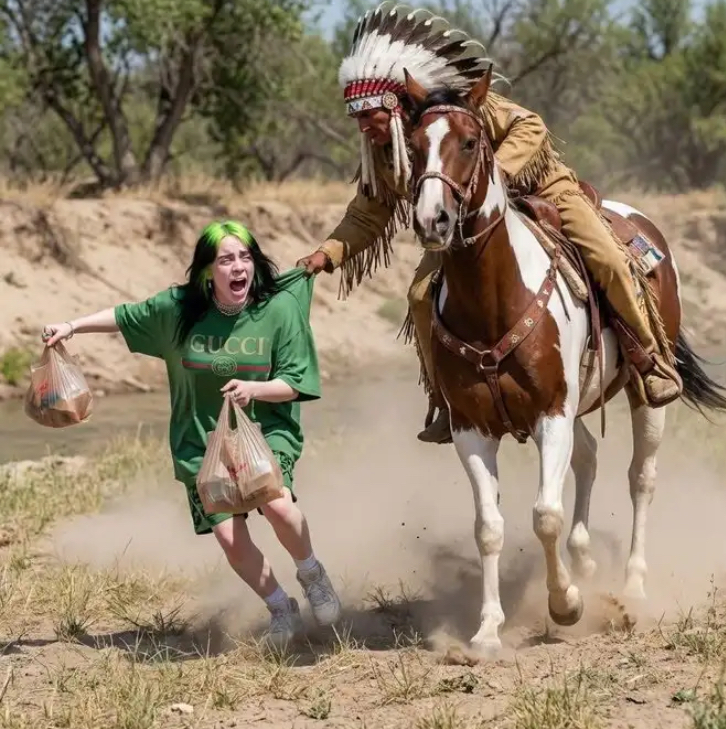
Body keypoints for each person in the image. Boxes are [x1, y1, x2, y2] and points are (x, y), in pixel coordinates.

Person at [297, 1, 683, 445]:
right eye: (357, 118)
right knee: (420, 295)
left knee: (610, 260)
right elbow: (367, 213)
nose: (363, 127)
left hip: (545, 191)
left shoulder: (459, 108)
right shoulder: (386, 154)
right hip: (464, 227)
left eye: (369, 116)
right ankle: (446, 398)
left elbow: (531, 127)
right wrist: (327, 253)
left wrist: (495, 174)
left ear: (395, 105)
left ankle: (647, 359)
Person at [42, 220, 342, 648]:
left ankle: (312, 574)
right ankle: (281, 608)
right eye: (226, 260)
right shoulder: (179, 310)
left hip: (265, 429)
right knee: (229, 536)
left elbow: (295, 381)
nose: (238, 267)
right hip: (201, 441)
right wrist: (70, 327)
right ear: (207, 271)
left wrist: (254, 389)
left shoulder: (278, 309)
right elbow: (125, 316)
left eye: (245, 257)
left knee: (277, 505)